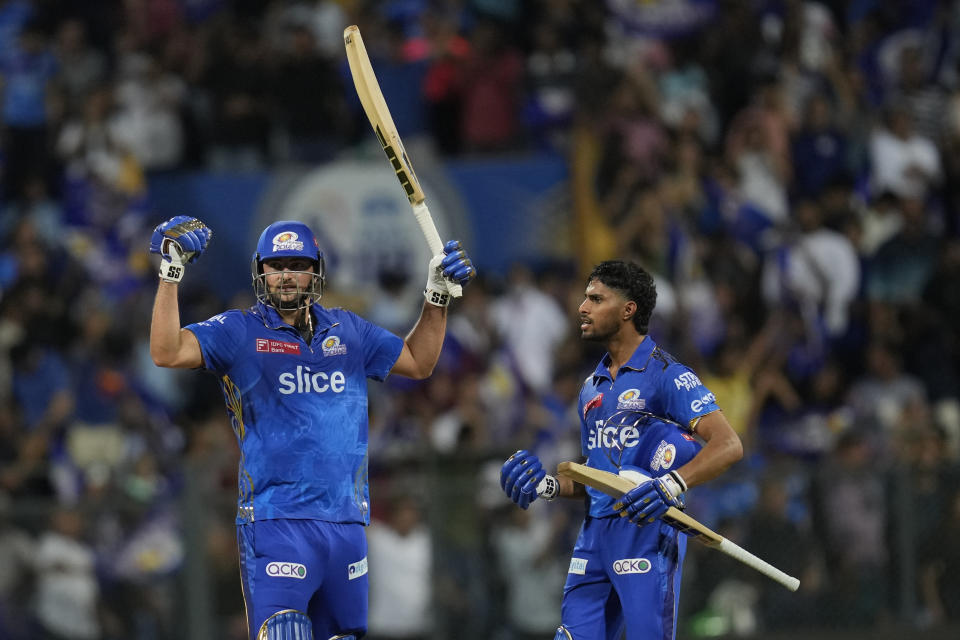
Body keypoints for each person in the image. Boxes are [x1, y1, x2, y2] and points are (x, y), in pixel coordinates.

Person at [148, 216, 474, 640]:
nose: (285, 275)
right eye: (275, 265)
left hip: (346, 523)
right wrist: (171, 272)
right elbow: (166, 351)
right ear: (260, 270)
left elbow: (418, 362)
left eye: (297, 264)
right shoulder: (237, 331)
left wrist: (436, 298)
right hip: (275, 520)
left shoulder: (349, 330)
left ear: (316, 269)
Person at [500, 260, 742, 640]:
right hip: (593, 537)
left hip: (647, 532)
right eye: (585, 298)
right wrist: (548, 487)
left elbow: (729, 445)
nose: (582, 307)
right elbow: (598, 477)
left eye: (596, 299)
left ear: (628, 310)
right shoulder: (590, 388)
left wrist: (671, 486)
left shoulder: (668, 375)